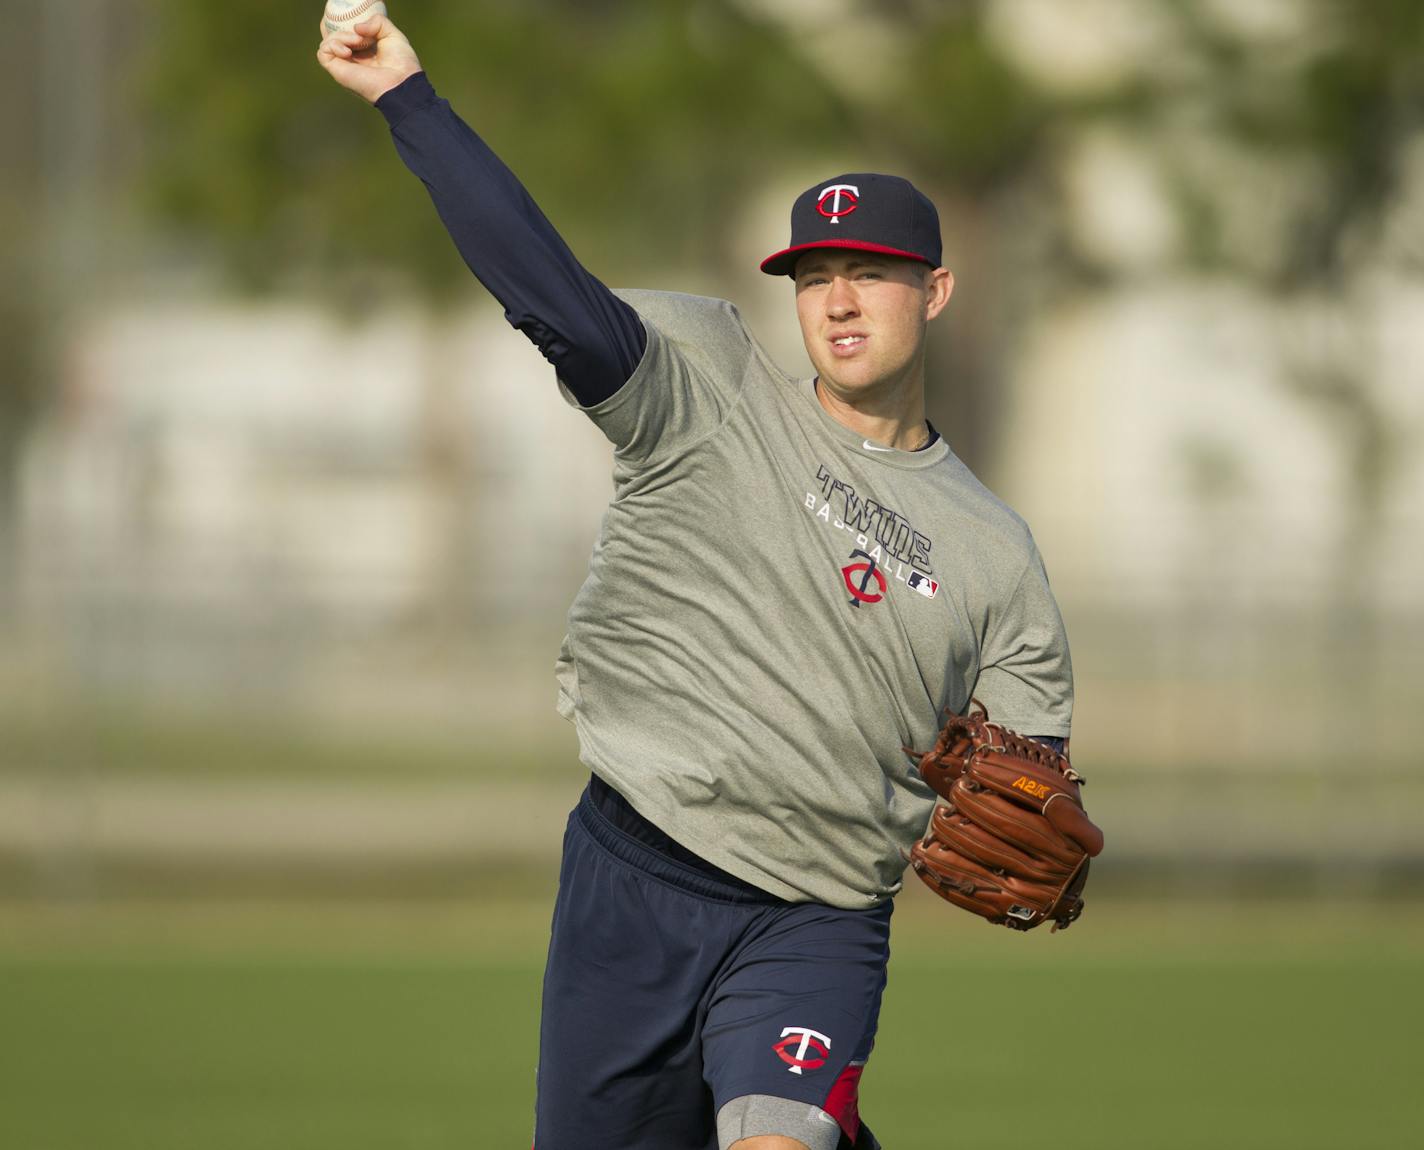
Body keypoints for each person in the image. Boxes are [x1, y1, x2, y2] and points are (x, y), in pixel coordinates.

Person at [318, 14, 1073, 1150]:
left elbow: (1033, 776)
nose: (837, 299)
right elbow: (548, 289)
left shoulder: (993, 550)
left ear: (938, 289)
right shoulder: (704, 391)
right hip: (629, 878)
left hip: (814, 918)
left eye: (870, 272)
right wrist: (407, 99)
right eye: (815, 274)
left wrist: (1040, 804)